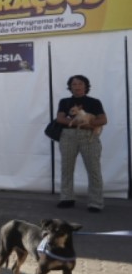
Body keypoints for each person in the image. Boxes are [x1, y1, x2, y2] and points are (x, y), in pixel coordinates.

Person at [55, 75, 107, 212]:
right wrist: (78, 123)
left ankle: (95, 202)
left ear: (86, 86)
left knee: (93, 169)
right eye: (74, 84)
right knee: (66, 167)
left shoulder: (95, 102)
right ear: (70, 87)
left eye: (80, 83)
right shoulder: (64, 101)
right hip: (68, 136)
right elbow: (59, 118)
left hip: (89, 137)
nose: (77, 86)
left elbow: (103, 120)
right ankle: (67, 198)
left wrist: (88, 125)